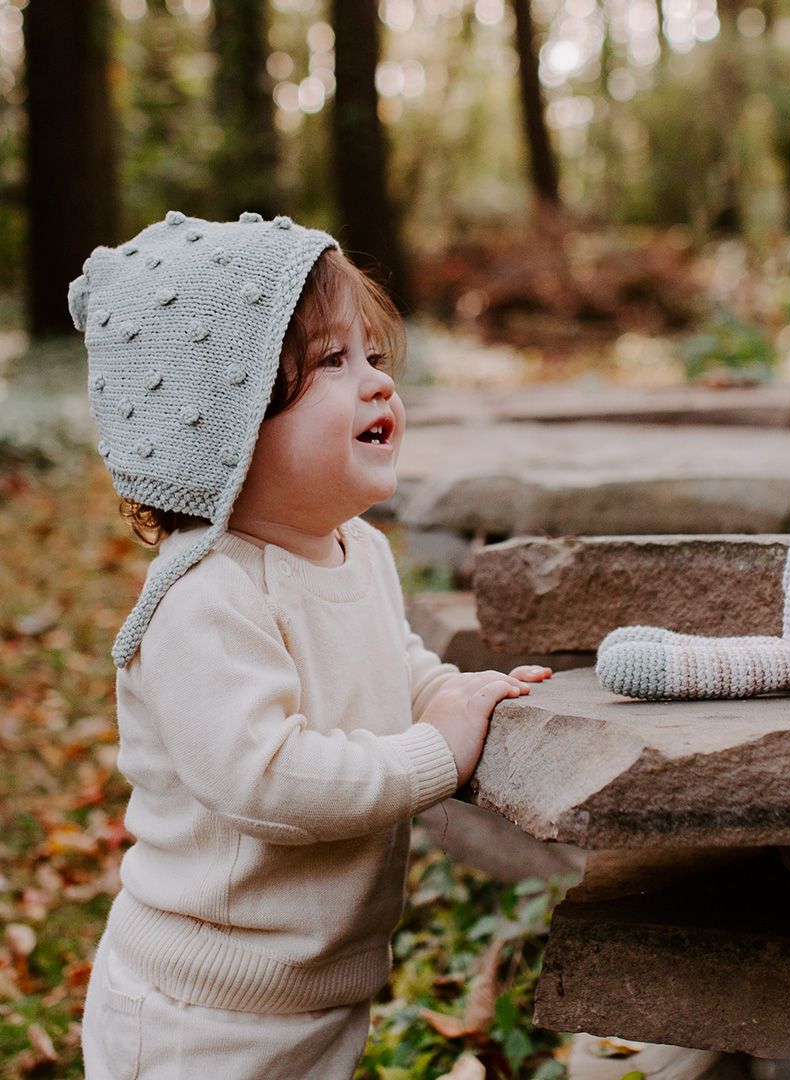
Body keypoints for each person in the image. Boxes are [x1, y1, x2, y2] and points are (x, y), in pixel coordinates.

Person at [67, 211, 552, 1078]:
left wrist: (448, 695)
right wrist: (435, 754)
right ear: (222, 419)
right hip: (201, 1020)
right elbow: (265, 780)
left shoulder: (357, 551)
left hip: (314, 995)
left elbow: (385, 664)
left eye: (374, 356)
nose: (377, 385)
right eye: (333, 362)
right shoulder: (203, 596)